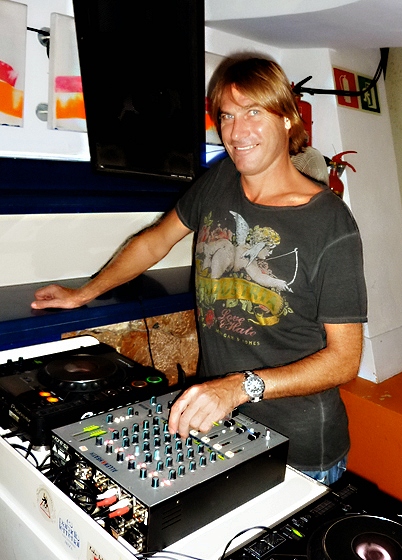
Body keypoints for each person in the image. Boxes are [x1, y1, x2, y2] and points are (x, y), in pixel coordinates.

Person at [31, 56, 367, 484]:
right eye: (227, 116)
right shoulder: (220, 179)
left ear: (287, 119)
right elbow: (156, 240)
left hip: (299, 453)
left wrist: (239, 387)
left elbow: (344, 361)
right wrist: (84, 292)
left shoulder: (331, 223)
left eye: (253, 112)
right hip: (222, 427)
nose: (237, 132)